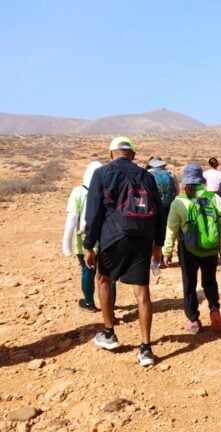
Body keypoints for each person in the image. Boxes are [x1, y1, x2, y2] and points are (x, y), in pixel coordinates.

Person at [83, 136, 164, 367]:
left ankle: (109, 333)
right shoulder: (147, 176)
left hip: (113, 238)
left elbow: (93, 213)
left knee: (103, 279)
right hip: (142, 239)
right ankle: (146, 348)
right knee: (143, 293)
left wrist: (89, 245)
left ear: (111, 154)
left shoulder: (102, 174)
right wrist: (158, 245)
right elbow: (159, 213)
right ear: (134, 155)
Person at [163, 164, 221, 333]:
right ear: (202, 180)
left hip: (188, 249)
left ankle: (193, 321)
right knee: (210, 280)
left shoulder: (179, 202)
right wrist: (211, 237)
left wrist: (167, 252)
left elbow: (171, 229)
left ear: (185, 182)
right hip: (211, 249)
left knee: (190, 283)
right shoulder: (214, 199)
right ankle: (214, 309)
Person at [62, 161, 115, 312]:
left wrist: (66, 244)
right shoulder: (109, 189)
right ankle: (109, 307)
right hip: (107, 239)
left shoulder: (78, 192)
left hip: (85, 240)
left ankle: (88, 302)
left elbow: (72, 218)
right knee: (108, 276)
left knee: (87, 270)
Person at [147, 156, 179, 245]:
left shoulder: (147, 173)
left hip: (152, 206)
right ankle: (164, 249)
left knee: (153, 228)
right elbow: (177, 192)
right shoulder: (170, 174)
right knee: (165, 228)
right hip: (167, 206)